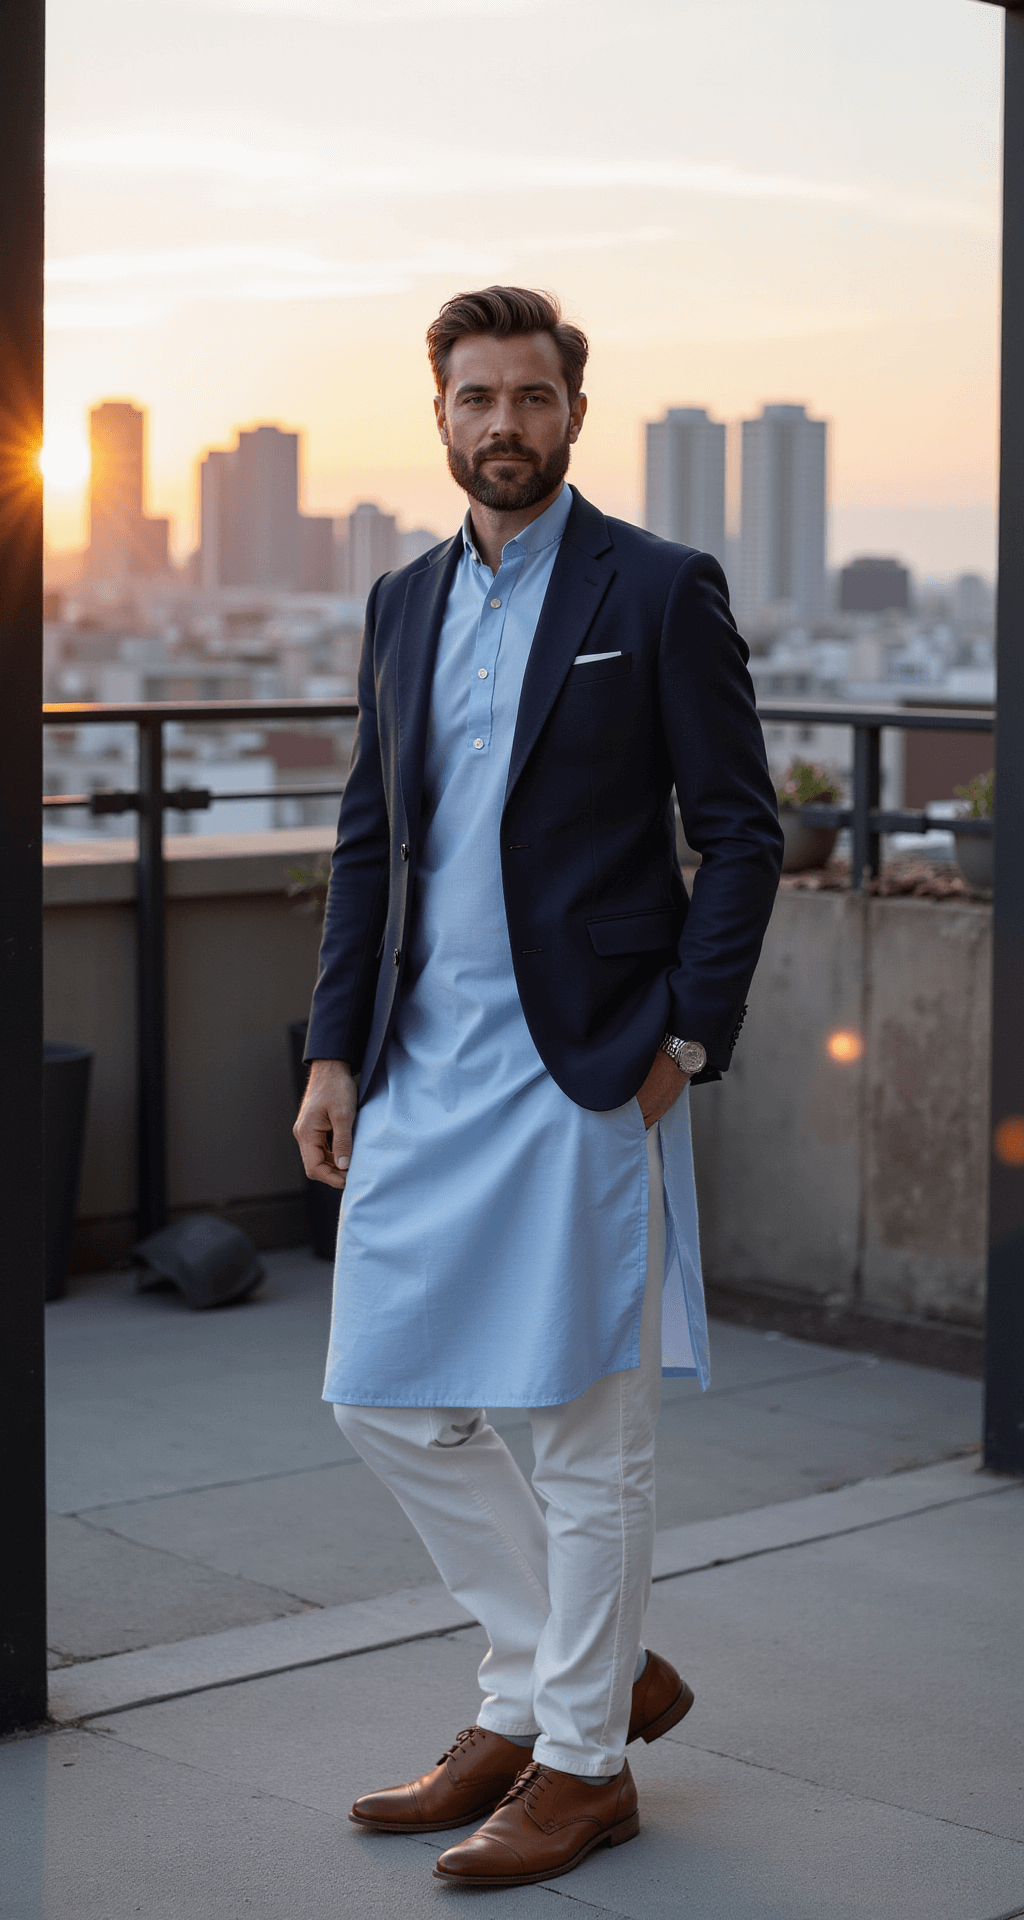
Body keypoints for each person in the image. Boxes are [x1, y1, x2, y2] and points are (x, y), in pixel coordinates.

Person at [294, 286, 783, 1890]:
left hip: (588, 1070)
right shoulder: (401, 600)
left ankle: (575, 1757)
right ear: (437, 415)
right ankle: (586, 1670)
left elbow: (743, 831)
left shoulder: (655, 586)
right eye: (475, 399)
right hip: (423, 1064)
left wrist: (684, 1045)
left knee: (586, 1440)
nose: (502, 424)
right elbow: (375, 837)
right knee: (382, 1391)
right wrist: (333, 1049)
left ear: (576, 409)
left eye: (531, 397)